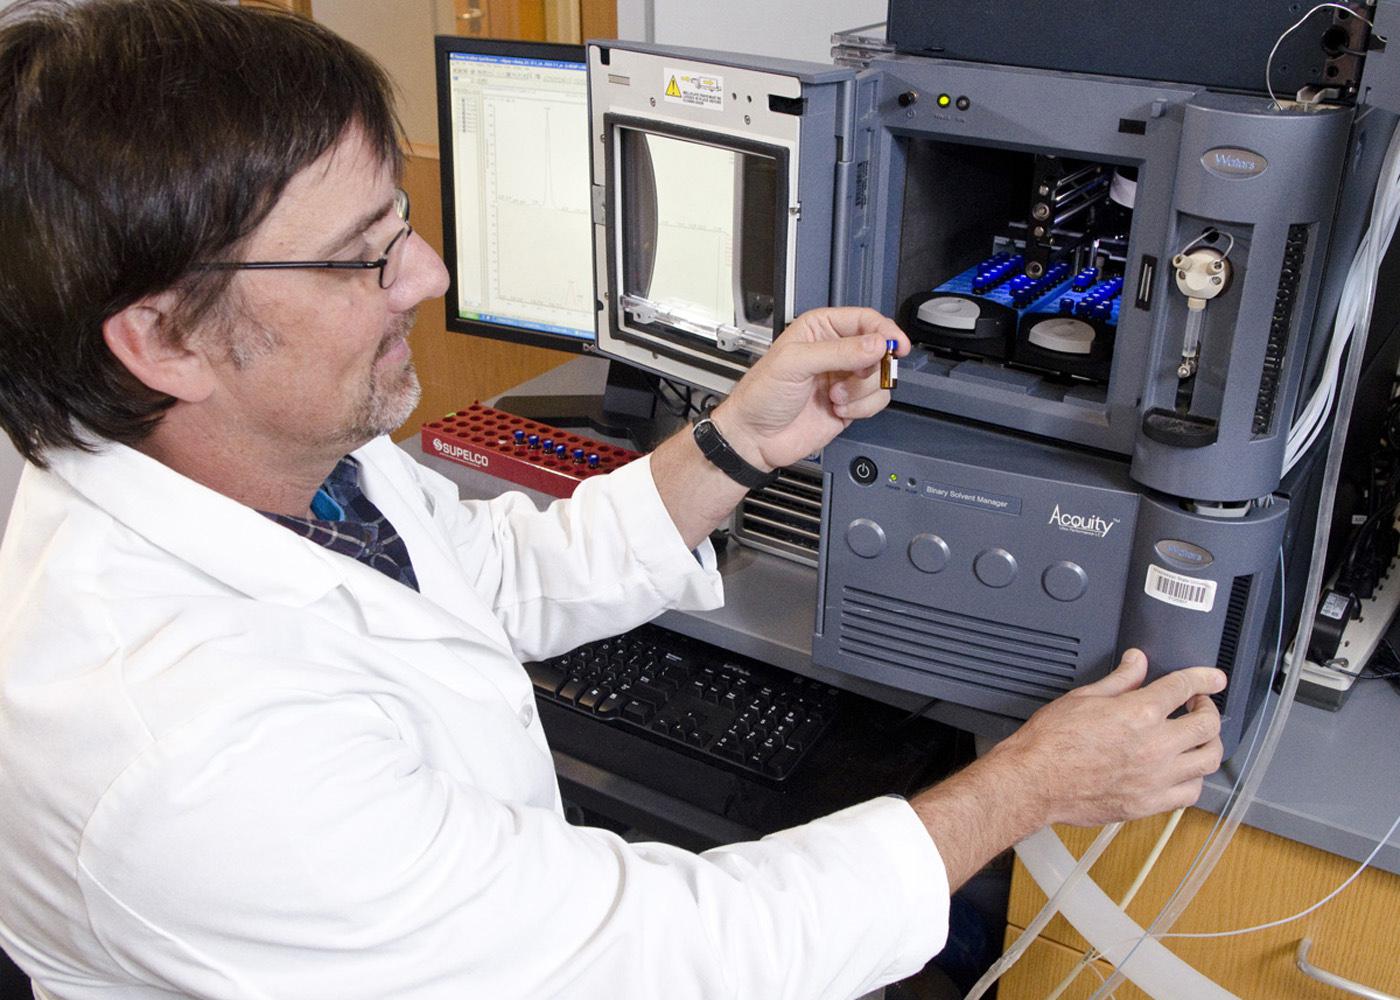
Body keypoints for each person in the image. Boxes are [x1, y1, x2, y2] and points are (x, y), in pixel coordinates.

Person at [0, 2, 1226, 998]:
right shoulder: (189, 755)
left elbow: (492, 579)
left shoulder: (266, 460)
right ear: (163, 339)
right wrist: (1027, 784)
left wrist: (737, 441)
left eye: (405, 223)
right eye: (366, 254)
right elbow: (662, 954)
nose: (426, 274)